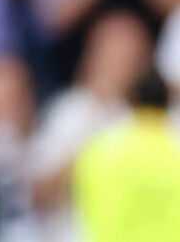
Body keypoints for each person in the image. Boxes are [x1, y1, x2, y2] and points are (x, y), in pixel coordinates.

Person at [72, 68, 180, 242]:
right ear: (168, 100)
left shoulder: (101, 151)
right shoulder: (176, 150)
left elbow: (83, 208)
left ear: (130, 100)